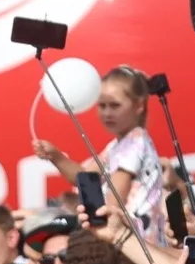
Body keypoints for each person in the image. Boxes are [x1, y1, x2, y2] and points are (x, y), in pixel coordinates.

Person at [34, 65, 170, 245]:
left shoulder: (136, 142)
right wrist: (56, 156)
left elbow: (116, 196)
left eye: (114, 106)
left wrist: (101, 226)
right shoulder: (117, 145)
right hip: (127, 237)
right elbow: (84, 178)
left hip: (139, 240)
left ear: (138, 106)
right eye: (102, 105)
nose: (107, 113)